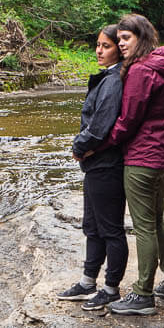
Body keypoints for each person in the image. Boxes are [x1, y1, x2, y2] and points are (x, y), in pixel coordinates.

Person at [105, 13, 164, 316]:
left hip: (143, 158)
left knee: (144, 226)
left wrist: (100, 144)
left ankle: (143, 294)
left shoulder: (140, 71)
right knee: (157, 219)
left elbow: (128, 119)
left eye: (127, 38)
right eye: (120, 38)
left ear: (142, 38)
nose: (121, 44)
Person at [57, 25, 129, 311]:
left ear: (118, 49)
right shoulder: (109, 77)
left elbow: (101, 123)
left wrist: (79, 146)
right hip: (97, 163)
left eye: (106, 46)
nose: (99, 50)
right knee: (92, 225)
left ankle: (111, 288)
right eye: (97, 45)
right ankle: (88, 282)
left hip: (107, 164)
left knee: (110, 229)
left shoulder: (114, 81)